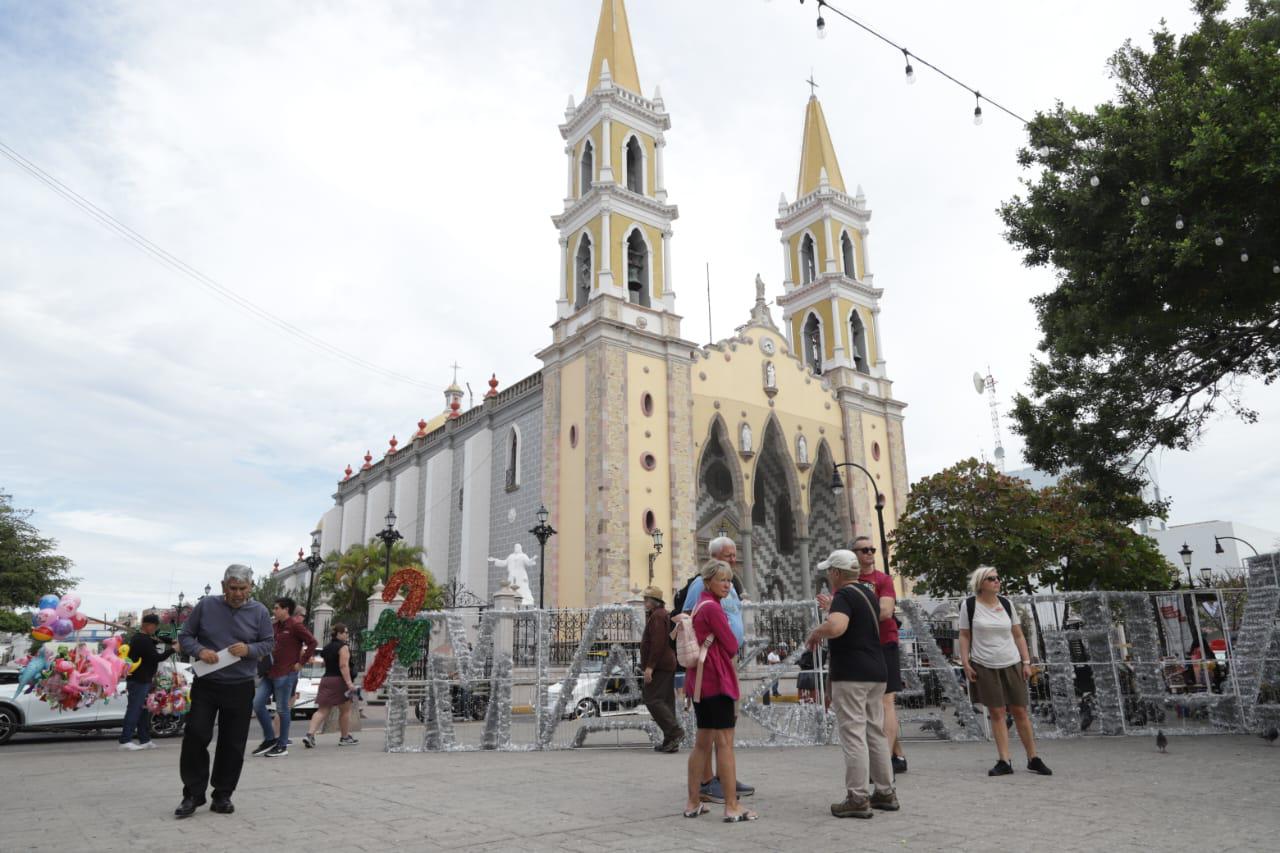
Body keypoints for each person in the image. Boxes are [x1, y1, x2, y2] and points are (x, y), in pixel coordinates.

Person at [175, 564, 274, 818]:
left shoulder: (260, 611)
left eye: (243, 588)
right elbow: (185, 636)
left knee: (232, 743)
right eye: (233, 588)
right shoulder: (206, 606)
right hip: (206, 683)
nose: (238, 593)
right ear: (223, 586)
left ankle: (222, 795)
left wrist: (249, 650)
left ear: (250, 587)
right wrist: (199, 651)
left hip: (240, 686)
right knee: (196, 734)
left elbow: (269, 643)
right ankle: (193, 795)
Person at [808, 549, 898, 819]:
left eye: (829, 572)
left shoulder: (844, 595)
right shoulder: (867, 594)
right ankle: (885, 791)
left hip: (852, 674)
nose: (827, 576)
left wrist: (816, 631)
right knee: (875, 732)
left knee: (853, 735)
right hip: (875, 670)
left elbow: (837, 627)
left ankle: (857, 797)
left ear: (836, 573)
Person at [958, 566, 1052, 777]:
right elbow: (964, 636)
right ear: (981, 583)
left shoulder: (1007, 604)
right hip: (984, 664)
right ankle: (1004, 760)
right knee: (997, 712)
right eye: (991, 579)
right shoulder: (969, 605)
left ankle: (1033, 758)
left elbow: (1018, 635)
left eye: (998, 578)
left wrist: (1026, 662)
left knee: (1020, 711)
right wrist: (966, 663)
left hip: (1011, 662)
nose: (997, 581)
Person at [682, 560, 757, 822]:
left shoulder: (699, 605)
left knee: (702, 743)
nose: (727, 585)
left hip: (701, 683)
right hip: (716, 680)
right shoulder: (713, 608)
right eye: (722, 580)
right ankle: (732, 805)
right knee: (724, 743)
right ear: (708, 582)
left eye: (729, 580)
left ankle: (693, 802)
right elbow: (731, 644)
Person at [850, 535, 907, 773]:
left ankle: (882, 760)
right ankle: (898, 755)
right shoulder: (848, 581)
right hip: (860, 646)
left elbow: (885, 611)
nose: (869, 553)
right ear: (854, 554)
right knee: (869, 704)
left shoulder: (883, 579)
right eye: (864, 550)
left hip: (884, 642)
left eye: (872, 549)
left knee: (886, 701)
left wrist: (854, 612)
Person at [252, 596, 317, 758]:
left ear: (286, 609)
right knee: (257, 704)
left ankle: (282, 745)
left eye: (276, 608)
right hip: (269, 672)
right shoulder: (273, 626)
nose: (274, 611)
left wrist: (301, 663)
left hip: (286, 674)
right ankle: (269, 739)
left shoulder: (295, 625)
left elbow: (312, 642)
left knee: (282, 709)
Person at [119, 613, 177, 750]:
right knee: (134, 709)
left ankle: (144, 739)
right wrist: (173, 650)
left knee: (144, 711)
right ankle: (125, 740)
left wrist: (170, 641)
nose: (155, 629)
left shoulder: (144, 638)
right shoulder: (142, 640)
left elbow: (158, 639)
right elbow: (156, 657)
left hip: (144, 679)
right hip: (139, 680)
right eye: (154, 626)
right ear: (148, 625)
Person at [640, 586, 683, 752]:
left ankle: (675, 731)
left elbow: (658, 643)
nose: (644, 602)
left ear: (653, 601)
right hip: (666, 664)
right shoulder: (660, 614)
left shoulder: (657, 616)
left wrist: (650, 667)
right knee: (666, 701)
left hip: (660, 665)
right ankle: (670, 742)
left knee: (652, 699)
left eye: (646, 599)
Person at [302, 623, 359, 747]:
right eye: (345, 632)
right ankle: (344, 737)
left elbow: (324, 664)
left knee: (322, 710)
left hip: (326, 679)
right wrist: (349, 683)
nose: (347, 635)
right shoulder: (343, 647)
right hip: (340, 681)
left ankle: (310, 734)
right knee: (345, 711)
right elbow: (343, 666)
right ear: (339, 634)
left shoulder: (327, 647)